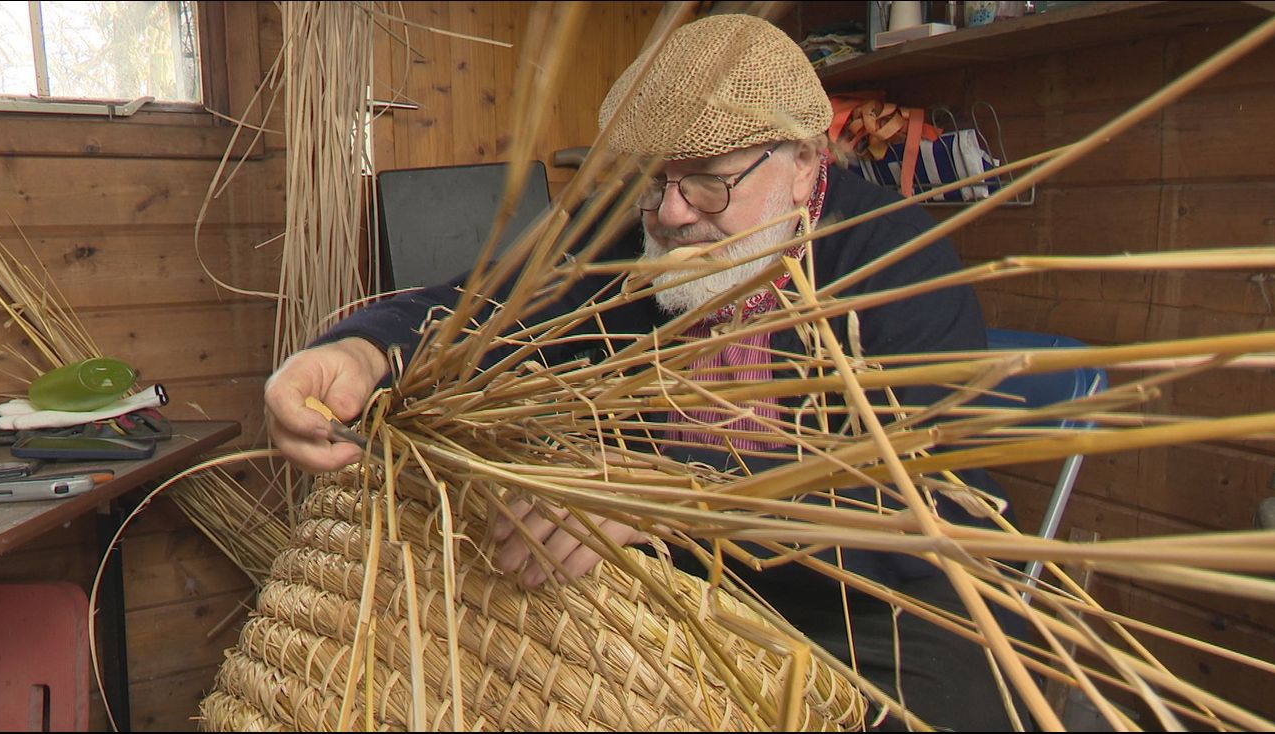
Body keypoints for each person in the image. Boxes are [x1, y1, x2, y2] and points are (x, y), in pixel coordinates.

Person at [265, 13, 1028, 731]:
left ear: (803, 163)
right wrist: (359, 351)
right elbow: (478, 305)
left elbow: (941, 506)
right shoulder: (634, 245)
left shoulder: (896, 260)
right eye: (655, 181)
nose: (670, 214)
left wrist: (671, 495)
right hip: (682, 595)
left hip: (871, 610)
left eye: (705, 180)